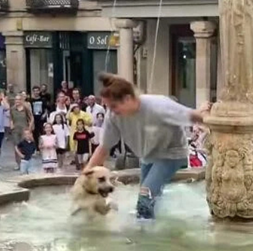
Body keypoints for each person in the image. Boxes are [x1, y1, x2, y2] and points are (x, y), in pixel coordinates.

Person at [82, 72, 208, 221]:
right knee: (145, 200)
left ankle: (145, 237)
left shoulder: (158, 106)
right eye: (108, 106)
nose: (111, 111)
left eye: (114, 106)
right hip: (148, 156)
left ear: (128, 99)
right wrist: (84, 177)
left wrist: (210, 116)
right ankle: (157, 223)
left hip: (171, 154)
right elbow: (103, 149)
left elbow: (194, 116)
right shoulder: (113, 116)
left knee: (145, 195)